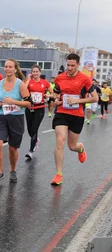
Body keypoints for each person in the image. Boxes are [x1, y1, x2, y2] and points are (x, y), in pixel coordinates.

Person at [50, 53, 98, 186]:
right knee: (60, 141)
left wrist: (78, 100)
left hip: (77, 115)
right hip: (62, 113)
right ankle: (58, 174)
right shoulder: (60, 78)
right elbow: (56, 93)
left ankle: (80, 148)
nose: (69, 68)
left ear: (78, 65)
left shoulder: (85, 79)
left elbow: (95, 98)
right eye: (68, 65)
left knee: (72, 146)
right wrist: (56, 100)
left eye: (72, 65)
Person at [0, 59, 31, 184]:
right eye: (6, 66)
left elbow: (28, 103)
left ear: (15, 69)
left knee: (13, 149)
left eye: (10, 67)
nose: (7, 69)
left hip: (16, 118)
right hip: (2, 117)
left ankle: (13, 170)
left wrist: (14, 102)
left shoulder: (20, 84)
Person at [24, 64, 53, 160]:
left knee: (34, 129)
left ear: (40, 72)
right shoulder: (29, 81)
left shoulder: (45, 82)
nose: (35, 73)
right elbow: (23, 89)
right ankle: (35, 140)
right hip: (29, 107)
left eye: (37, 71)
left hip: (40, 108)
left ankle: (30, 151)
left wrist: (47, 96)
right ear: (31, 73)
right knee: (29, 130)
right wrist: (28, 79)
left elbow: (53, 93)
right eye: (33, 72)